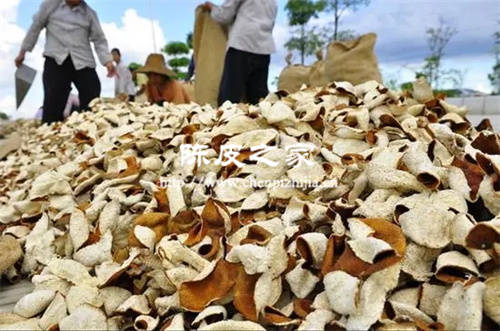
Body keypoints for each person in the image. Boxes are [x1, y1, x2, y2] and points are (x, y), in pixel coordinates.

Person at [15, 0, 115, 124]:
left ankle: (90, 127)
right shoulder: (50, 6)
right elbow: (35, 28)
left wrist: (107, 61)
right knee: (53, 99)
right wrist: (23, 52)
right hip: (56, 60)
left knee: (92, 95)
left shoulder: (89, 13)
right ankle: (51, 132)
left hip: (83, 60)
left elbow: (99, 39)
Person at [203, 0, 278, 106]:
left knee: (229, 99)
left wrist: (211, 7)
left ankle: (226, 122)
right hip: (264, 48)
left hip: (242, 44)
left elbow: (224, 16)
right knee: (258, 100)